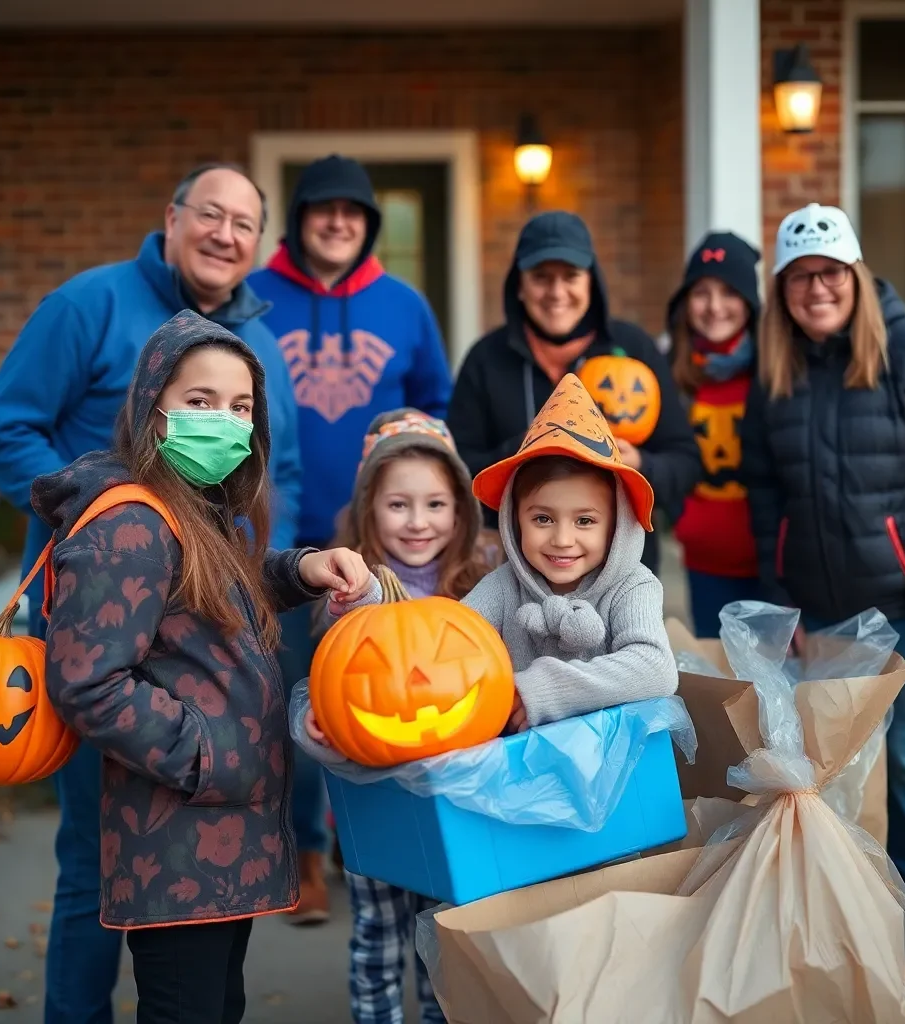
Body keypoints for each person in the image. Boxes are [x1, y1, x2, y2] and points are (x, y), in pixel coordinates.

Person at [0, 163, 304, 1024]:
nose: (226, 234)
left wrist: (291, 566)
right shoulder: (87, 306)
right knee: (97, 872)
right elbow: (4, 422)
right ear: (172, 216)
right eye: (211, 213)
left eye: (246, 222)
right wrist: (92, 510)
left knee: (202, 975)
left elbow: (274, 475)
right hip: (122, 645)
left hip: (203, 636)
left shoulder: (257, 348)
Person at [33, 310, 372, 1024]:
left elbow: (218, 592)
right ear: (153, 410)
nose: (225, 419)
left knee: (218, 1005)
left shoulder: (193, 510)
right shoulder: (131, 523)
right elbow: (87, 680)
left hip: (215, 841)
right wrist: (207, 753)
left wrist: (304, 568)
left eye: (241, 406)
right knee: (186, 1008)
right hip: (179, 838)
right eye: (200, 401)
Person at [740, 202, 905, 986]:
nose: (815, 289)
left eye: (828, 273)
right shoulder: (774, 373)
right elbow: (763, 490)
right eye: (798, 277)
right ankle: (854, 912)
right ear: (782, 290)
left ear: (853, 275)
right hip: (820, 610)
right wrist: (780, 597)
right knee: (836, 768)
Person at [249, 155, 452, 916]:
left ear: (368, 225)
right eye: (322, 209)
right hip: (288, 548)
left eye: (353, 211)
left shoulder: (404, 305)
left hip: (387, 547)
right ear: (299, 220)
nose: (338, 221)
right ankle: (302, 853)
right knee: (302, 704)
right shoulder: (256, 301)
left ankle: (368, 845)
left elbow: (435, 403)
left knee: (391, 700)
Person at [297, 373, 678, 744]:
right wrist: (344, 703)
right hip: (526, 777)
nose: (563, 539)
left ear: (617, 524)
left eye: (585, 521)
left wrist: (540, 688)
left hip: (617, 766)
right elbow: (433, 645)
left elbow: (654, 669)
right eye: (542, 519)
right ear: (515, 520)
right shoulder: (502, 585)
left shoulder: (633, 586)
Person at [298, 410, 490, 1024]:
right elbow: (324, 684)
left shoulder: (482, 584)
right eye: (398, 505)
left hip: (457, 798)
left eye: (435, 504)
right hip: (373, 795)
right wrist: (316, 726)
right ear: (369, 511)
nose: (417, 522)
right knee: (378, 938)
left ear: (459, 511)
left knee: (445, 935)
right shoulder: (348, 593)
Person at [447, 210, 701, 576]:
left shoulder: (633, 349)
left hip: (622, 578)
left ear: (591, 282)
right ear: (519, 285)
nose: (556, 292)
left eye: (570, 277)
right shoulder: (486, 359)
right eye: (540, 278)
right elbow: (460, 471)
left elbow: (686, 463)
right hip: (514, 574)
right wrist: (533, 449)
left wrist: (642, 466)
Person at [665, 232, 763, 637]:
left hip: (769, 565)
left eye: (729, 292)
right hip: (704, 562)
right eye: (702, 292)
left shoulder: (774, 371)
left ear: (750, 303)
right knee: (720, 687)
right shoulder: (669, 373)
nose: (715, 306)